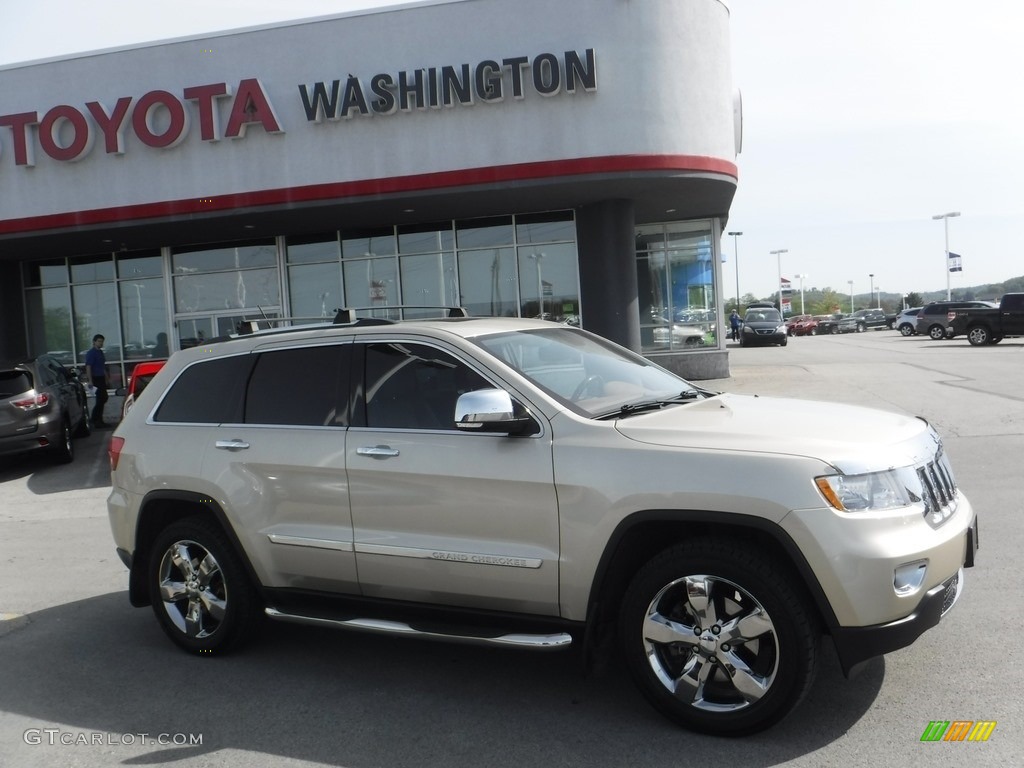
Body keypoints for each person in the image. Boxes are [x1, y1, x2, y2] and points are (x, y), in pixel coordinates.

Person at [85, 334, 109, 427]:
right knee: (100, 398)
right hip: (95, 378)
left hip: (101, 377)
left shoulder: (100, 352)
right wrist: (90, 380)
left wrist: (106, 378)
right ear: (94, 342)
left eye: (102, 341)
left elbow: (102, 366)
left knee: (104, 398)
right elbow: (88, 367)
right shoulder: (91, 353)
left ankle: (98, 419)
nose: (101, 343)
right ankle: (96, 420)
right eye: (99, 341)